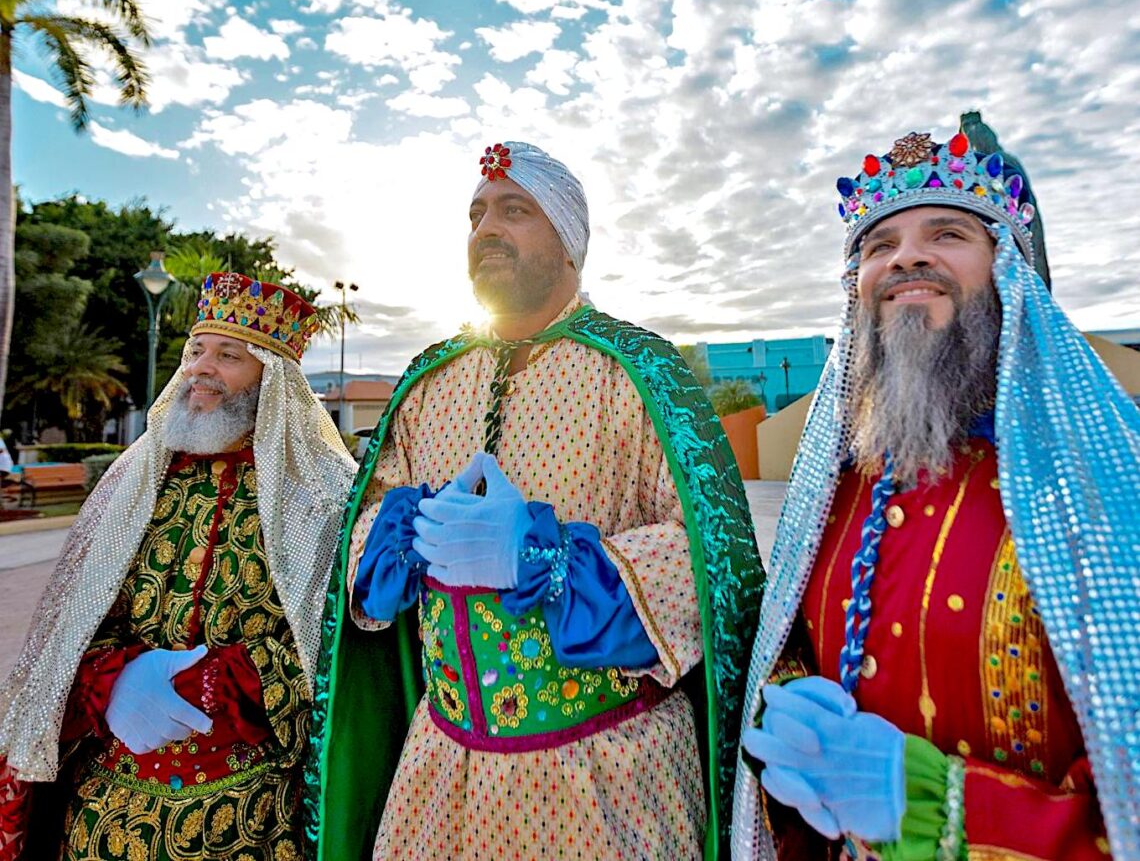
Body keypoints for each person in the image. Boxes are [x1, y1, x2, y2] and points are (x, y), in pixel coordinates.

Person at [305, 141, 764, 860]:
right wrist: (403, 535)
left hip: (609, 779)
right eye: (477, 213)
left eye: (515, 211)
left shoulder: (638, 371)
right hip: (439, 776)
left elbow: (707, 558)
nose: (487, 228)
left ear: (570, 244)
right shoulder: (428, 381)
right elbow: (366, 529)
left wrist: (541, 559)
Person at [732, 113, 1140, 860]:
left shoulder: (1104, 486)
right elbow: (792, 643)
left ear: (1009, 268)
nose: (906, 257)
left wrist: (942, 806)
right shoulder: (837, 482)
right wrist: (786, 707)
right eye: (880, 244)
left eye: (948, 233)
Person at [0, 272, 356, 860]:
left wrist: (216, 682)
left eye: (228, 355)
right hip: (105, 813)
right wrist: (112, 682)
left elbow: (337, 647)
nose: (199, 368)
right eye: (195, 351)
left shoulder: (320, 494)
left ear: (274, 382)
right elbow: (70, 627)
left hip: (249, 818)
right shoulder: (134, 483)